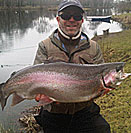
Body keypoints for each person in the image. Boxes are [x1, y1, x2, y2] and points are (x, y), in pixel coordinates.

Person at [34, 0, 111, 132]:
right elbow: (36, 81)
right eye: (66, 16)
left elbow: (99, 84)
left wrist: (100, 89)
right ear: (58, 19)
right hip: (54, 113)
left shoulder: (93, 47)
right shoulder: (44, 46)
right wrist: (41, 94)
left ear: (82, 20)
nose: (71, 20)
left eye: (76, 16)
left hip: (85, 112)